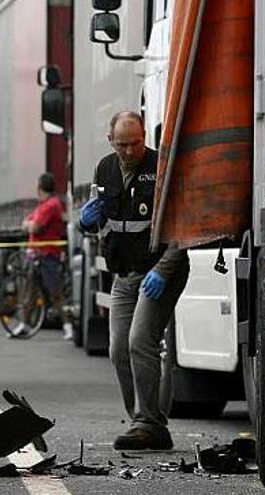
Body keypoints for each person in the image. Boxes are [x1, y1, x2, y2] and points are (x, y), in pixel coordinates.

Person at [78, 111, 189, 451]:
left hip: (159, 271)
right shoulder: (104, 169)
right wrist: (86, 220)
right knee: (118, 349)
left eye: (136, 143)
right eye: (122, 144)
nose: (129, 151)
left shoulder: (161, 169)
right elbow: (102, 224)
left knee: (141, 340)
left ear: (145, 137)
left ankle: (149, 423)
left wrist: (162, 270)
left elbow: (181, 229)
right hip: (123, 274)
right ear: (110, 140)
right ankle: (141, 419)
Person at [14, 172, 66, 338]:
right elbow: (28, 223)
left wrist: (29, 225)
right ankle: (24, 324)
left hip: (47, 254)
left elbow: (34, 227)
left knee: (54, 291)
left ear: (39, 187)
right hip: (35, 254)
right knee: (28, 291)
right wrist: (29, 224)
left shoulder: (51, 205)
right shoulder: (42, 205)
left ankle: (68, 325)